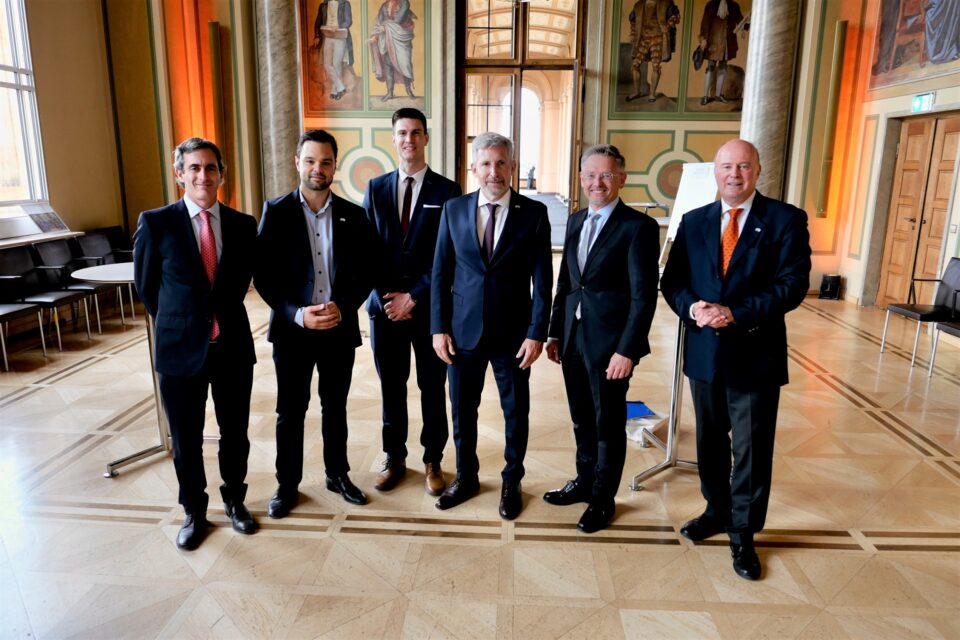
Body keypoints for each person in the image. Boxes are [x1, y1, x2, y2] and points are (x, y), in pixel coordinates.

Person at [659, 139, 811, 580]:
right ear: (716, 171)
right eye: (727, 166)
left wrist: (735, 312)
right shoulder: (694, 221)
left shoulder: (785, 219)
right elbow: (673, 281)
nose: (734, 174)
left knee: (750, 450)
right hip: (704, 352)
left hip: (755, 352)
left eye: (744, 166)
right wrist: (693, 307)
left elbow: (792, 284)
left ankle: (743, 533)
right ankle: (716, 510)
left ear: (758, 170)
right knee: (709, 441)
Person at [133, 137, 258, 550]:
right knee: (186, 438)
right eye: (194, 168)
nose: (203, 175)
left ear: (222, 174)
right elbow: (147, 288)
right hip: (179, 349)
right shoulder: (157, 223)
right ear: (179, 174)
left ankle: (235, 501)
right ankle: (194, 511)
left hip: (232, 346)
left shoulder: (243, 225)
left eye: (211, 168)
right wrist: (182, 321)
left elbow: (241, 281)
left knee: (235, 433)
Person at [431, 132, 552, 520]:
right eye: (486, 164)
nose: (493, 172)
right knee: (462, 411)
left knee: (516, 412)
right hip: (461, 332)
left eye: (501, 163)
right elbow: (440, 273)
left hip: (513, 335)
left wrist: (536, 332)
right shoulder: (453, 209)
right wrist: (438, 328)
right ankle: (466, 477)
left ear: (512, 167)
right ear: (474, 168)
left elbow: (543, 281)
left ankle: (512, 480)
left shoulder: (534, 214)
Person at [254, 129, 374, 517]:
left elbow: (364, 272)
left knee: (335, 407)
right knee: (291, 410)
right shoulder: (276, 212)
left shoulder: (354, 215)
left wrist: (346, 305)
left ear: (335, 166)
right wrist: (296, 313)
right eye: (310, 161)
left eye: (325, 161)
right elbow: (264, 275)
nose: (317, 168)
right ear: (297, 163)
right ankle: (287, 484)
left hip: (338, 329)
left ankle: (337, 475)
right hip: (293, 332)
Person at [544, 144, 660, 533]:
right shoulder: (576, 220)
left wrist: (627, 350)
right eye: (591, 175)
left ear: (621, 179)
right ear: (581, 179)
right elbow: (566, 283)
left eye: (607, 175)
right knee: (581, 417)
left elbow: (643, 297)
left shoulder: (638, 227)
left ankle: (603, 498)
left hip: (611, 346)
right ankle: (583, 482)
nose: (598, 183)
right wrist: (555, 332)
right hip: (573, 337)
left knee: (608, 423)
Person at [363, 108, 461, 496]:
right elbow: (367, 251)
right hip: (385, 308)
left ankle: (433, 460)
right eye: (402, 133)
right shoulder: (375, 188)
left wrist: (413, 297)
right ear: (393, 138)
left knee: (432, 387)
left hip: (428, 309)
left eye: (416, 133)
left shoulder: (447, 191)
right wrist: (384, 298)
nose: (409, 139)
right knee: (392, 388)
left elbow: (448, 256)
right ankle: (394, 457)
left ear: (425, 139)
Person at [626, 0, 680, 102]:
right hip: (643, 38)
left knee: (655, 66)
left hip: (658, 39)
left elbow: (675, 17)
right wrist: (633, 33)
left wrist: (668, 26)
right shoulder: (639, 5)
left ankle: (652, 94)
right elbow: (633, 21)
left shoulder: (665, 3)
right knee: (635, 65)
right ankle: (637, 91)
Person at [697, 0, 743, 105]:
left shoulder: (734, 6)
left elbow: (740, 21)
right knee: (710, 67)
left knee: (723, 66)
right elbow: (705, 23)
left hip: (727, 42)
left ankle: (718, 95)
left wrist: (746, 23)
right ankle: (705, 96)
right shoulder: (711, 5)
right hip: (713, 41)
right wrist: (703, 38)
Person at [369, 0, 416, 101]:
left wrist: (385, 26)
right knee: (388, 65)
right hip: (388, 39)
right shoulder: (384, 5)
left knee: (405, 65)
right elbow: (379, 22)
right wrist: (375, 35)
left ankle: (409, 91)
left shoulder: (404, 3)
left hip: (401, 38)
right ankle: (390, 93)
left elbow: (399, 19)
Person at [314, 0, 354, 101]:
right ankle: (341, 88)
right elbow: (318, 21)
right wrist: (317, 35)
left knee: (336, 64)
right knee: (327, 64)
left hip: (340, 36)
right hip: (327, 36)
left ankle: (335, 91)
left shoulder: (345, 3)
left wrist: (339, 26)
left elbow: (348, 21)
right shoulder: (323, 5)